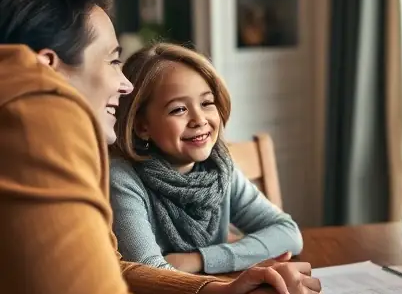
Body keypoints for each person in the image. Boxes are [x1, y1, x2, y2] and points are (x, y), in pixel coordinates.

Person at [0, 0, 322, 294]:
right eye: (112, 61)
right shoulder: (34, 113)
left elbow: (112, 269)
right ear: (47, 68)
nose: (124, 85)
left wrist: (219, 292)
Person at [110, 42, 301, 273]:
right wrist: (249, 252)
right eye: (178, 109)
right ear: (142, 126)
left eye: (207, 103)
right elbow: (151, 273)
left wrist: (200, 260)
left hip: (219, 289)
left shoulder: (220, 169)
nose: (199, 119)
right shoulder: (123, 179)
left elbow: (288, 233)